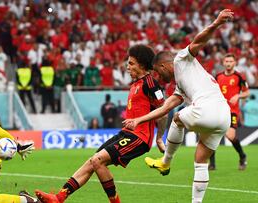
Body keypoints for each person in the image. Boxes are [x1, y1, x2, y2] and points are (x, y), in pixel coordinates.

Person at [123, 9, 233, 203]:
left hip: (207, 109)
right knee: (200, 161)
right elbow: (164, 108)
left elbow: (199, 41)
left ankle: (165, 162)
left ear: (163, 66)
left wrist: (216, 23)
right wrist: (138, 120)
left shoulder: (181, 59)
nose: (159, 77)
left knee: (177, 118)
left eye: (157, 72)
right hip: (223, 116)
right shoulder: (181, 86)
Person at [35, 44, 167, 203]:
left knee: (98, 161)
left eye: (131, 63)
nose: (127, 66)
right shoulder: (135, 84)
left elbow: (163, 110)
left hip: (140, 137)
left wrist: (159, 138)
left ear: (142, 65)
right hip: (126, 133)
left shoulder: (150, 83)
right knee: (92, 161)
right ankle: (59, 197)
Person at [209, 53, 250, 170]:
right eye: (226, 61)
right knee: (212, 135)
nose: (228, 63)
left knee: (230, 136)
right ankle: (212, 164)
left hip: (232, 111)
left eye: (231, 61)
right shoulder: (217, 77)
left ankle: (242, 156)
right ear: (223, 63)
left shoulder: (239, 76)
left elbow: (247, 92)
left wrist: (238, 95)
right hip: (218, 111)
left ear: (235, 63)